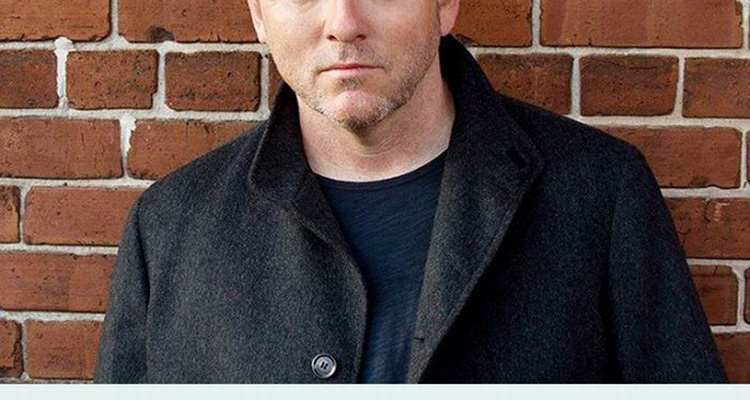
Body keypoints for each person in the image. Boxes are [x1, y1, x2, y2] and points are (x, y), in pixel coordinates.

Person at [94, 0, 728, 383]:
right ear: (259, 12)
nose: (344, 23)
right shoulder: (168, 230)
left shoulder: (599, 195)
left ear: (444, 5)